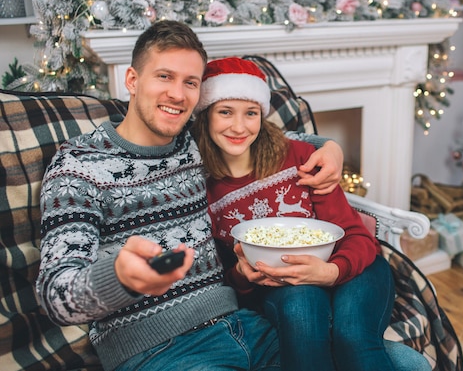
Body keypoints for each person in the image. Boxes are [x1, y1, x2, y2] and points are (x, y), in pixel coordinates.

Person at [35, 20, 345, 371]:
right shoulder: (78, 166)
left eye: (190, 83)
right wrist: (118, 278)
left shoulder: (193, 143)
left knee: (399, 362)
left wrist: (329, 148)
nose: (178, 95)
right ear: (133, 81)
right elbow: (54, 295)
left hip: (247, 328)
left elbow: (265, 136)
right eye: (164, 77)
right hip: (158, 351)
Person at [191, 57, 417, 371]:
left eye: (251, 113)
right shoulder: (200, 190)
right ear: (205, 115)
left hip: (355, 266)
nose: (239, 127)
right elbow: (223, 279)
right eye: (225, 112)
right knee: (302, 309)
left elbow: (355, 234)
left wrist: (333, 271)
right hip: (281, 287)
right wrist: (243, 276)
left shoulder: (301, 159)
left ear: (262, 115)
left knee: (352, 336)